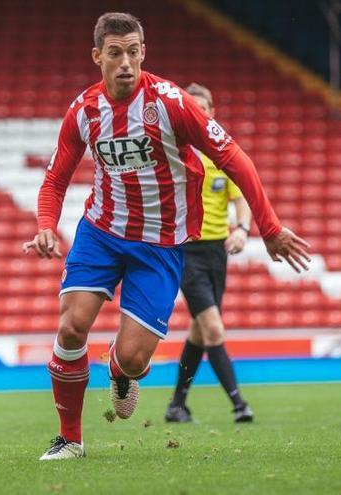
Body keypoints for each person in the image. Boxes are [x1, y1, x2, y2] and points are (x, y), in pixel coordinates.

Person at [23, 12, 310, 460]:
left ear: (143, 53)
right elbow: (56, 179)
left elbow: (235, 157)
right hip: (101, 231)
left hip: (161, 243)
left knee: (133, 359)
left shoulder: (171, 102)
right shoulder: (83, 111)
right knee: (71, 325)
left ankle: (121, 373)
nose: (125, 63)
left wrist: (269, 228)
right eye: (115, 53)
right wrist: (45, 226)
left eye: (133, 52)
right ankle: (71, 439)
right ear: (98, 56)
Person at [165, 83, 254, 424]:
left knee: (200, 332)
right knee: (214, 328)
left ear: (212, 114)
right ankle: (239, 403)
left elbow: (240, 197)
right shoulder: (174, 155)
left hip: (217, 252)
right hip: (186, 252)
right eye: (193, 108)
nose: (199, 114)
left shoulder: (221, 155)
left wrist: (243, 230)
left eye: (204, 108)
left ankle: (177, 405)